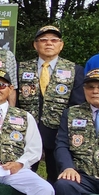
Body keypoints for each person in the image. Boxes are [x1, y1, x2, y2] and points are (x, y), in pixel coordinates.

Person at [17, 25, 85, 184]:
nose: (49, 43)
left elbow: (77, 104)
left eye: (54, 40)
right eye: (43, 40)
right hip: (27, 131)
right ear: (35, 45)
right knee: (23, 174)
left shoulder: (75, 70)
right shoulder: (21, 68)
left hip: (58, 132)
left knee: (57, 175)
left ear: (61, 45)